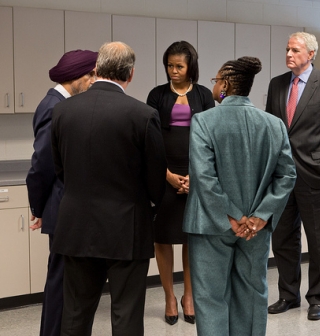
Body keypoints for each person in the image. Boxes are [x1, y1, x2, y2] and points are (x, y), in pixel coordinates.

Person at [50, 41, 167, 336]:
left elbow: (59, 168)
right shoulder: (143, 115)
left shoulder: (62, 111)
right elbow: (156, 179)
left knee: (75, 314)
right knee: (126, 316)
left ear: (97, 69)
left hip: (76, 226)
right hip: (126, 228)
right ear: (130, 74)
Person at [183, 56, 296, 336]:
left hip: (211, 225)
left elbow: (204, 178)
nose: (215, 87)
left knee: (210, 298)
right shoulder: (274, 125)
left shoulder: (204, 121)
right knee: (253, 292)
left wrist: (233, 215)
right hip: (255, 230)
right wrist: (259, 217)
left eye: (216, 81)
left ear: (227, 84)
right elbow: (287, 176)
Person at [265, 31, 320, 320]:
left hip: (317, 176)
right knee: (283, 239)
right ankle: (288, 295)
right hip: (282, 178)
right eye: (287, 49)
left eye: (295, 50)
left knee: (319, 242)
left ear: (311, 54)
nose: (288, 54)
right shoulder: (276, 85)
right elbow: (272, 130)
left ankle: (318, 298)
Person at [26, 49, 98, 336]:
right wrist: (38, 207)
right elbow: (41, 164)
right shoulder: (56, 106)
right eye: (91, 76)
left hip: (62, 208)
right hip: (60, 208)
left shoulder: (57, 102)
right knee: (59, 283)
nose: (94, 82)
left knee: (63, 282)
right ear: (78, 77)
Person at [146, 41, 214, 325]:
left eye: (179, 66)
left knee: (191, 237)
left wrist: (196, 177)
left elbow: (211, 138)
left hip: (195, 175)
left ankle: (188, 295)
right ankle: (169, 297)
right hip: (164, 175)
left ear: (191, 68)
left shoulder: (205, 95)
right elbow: (149, 141)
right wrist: (167, 175)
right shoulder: (157, 95)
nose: (173, 71)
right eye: (169, 66)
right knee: (163, 237)